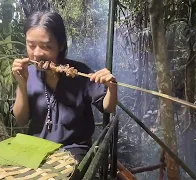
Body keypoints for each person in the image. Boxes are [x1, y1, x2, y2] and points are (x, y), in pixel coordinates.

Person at [11, 10, 118, 162]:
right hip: (35, 149)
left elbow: (108, 107)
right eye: (31, 45)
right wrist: (22, 84)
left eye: (46, 46)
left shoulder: (81, 73)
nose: (36, 54)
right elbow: (21, 120)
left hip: (72, 151)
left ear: (60, 45)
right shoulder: (27, 73)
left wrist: (112, 86)